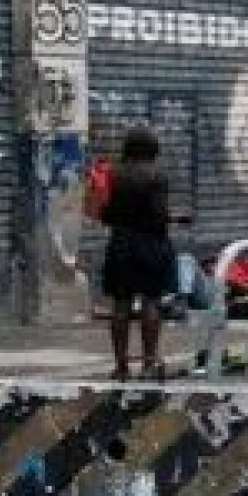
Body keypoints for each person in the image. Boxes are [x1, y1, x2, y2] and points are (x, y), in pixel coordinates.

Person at [99, 125, 178, 381]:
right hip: (151, 246)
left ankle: (121, 366)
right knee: (151, 301)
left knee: (120, 304)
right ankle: (148, 362)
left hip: (120, 245)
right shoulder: (157, 176)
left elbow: (105, 214)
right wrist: (174, 218)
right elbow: (158, 216)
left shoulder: (114, 174)